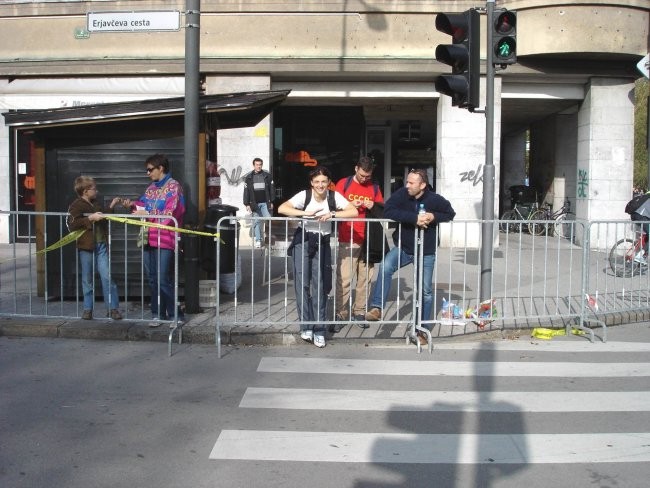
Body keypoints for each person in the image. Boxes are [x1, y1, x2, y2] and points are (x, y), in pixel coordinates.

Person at [365, 168, 455, 344]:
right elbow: (388, 211)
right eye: (407, 181)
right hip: (404, 248)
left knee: (426, 291)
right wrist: (414, 218)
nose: (407, 185)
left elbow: (450, 213)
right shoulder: (402, 194)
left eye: (411, 182)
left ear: (422, 185)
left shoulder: (434, 199)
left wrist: (433, 216)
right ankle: (377, 308)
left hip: (426, 252)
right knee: (385, 266)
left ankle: (422, 329)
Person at [278, 166, 358, 348]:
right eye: (316, 182)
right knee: (302, 283)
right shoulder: (304, 195)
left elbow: (353, 211)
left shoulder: (333, 196)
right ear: (311, 183)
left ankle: (319, 329)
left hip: (323, 241)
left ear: (329, 182)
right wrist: (305, 213)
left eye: (323, 181)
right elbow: (283, 208)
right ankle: (306, 325)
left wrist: (333, 214)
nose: (320, 185)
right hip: (304, 240)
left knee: (320, 285)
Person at [124, 154, 186, 327]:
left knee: (163, 278)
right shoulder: (151, 188)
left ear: (161, 168)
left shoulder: (174, 187)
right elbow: (143, 205)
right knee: (152, 278)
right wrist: (131, 205)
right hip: (148, 237)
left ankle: (177, 315)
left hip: (165, 238)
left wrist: (147, 214)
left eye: (150, 169)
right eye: (147, 170)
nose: (148, 173)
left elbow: (172, 213)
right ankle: (157, 314)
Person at [334, 156, 384, 328]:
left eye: (367, 176)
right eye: (362, 175)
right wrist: (349, 205)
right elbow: (333, 206)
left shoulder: (374, 187)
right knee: (345, 278)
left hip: (369, 239)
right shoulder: (343, 184)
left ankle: (360, 312)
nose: (364, 179)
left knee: (365, 278)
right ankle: (340, 313)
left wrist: (372, 205)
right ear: (356, 169)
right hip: (348, 237)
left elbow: (382, 211)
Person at [67, 176, 122, 321]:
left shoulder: (96, 203)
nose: (96, 191)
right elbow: (72, 223)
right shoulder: (77, 205)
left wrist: (111, 207)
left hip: (101, 245)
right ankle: (87, 309)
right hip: (86, 247)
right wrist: (90, 219)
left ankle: (113, 308)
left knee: (107, 276)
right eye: (94, 188)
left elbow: (103, 217)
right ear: (85, 191)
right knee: (87, 279)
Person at [243, 157, 275, 248]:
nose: (259, 166)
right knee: (257, 221)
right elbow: (246, 191)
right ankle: (258, 240)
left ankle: (268, 238)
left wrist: (272, 201)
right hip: (255, 204)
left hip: (265, 203)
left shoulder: (267, 176)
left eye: (260, 165)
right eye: (257, 165)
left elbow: (272, 189)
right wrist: (247, 204)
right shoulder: (249, 177)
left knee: (268, 219)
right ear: (254, 165)